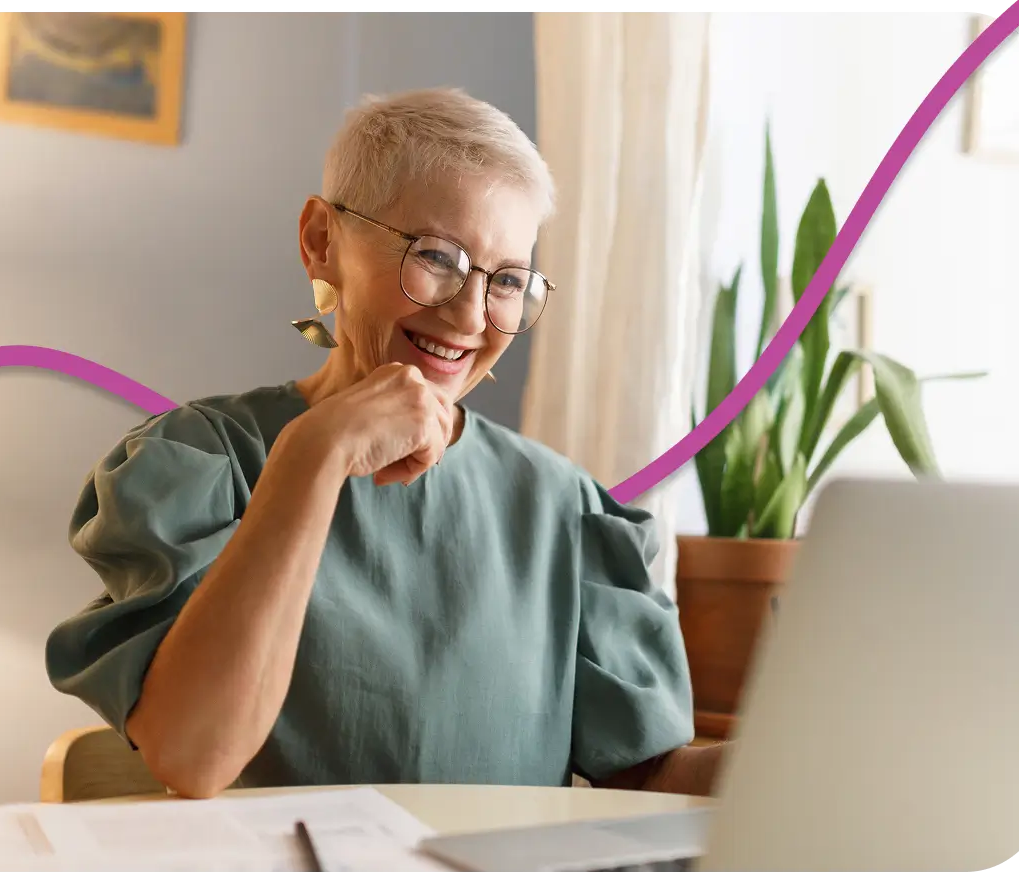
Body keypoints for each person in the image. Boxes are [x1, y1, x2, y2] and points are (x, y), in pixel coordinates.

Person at [45, 87, 724, 800]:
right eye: (436, 256)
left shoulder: (566, 509)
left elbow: (647, 778)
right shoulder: (201, 462)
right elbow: (193, 756)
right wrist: (315, 455)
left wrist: (808, 758)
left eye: (507, 281)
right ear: (321, 241)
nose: (468, 314)